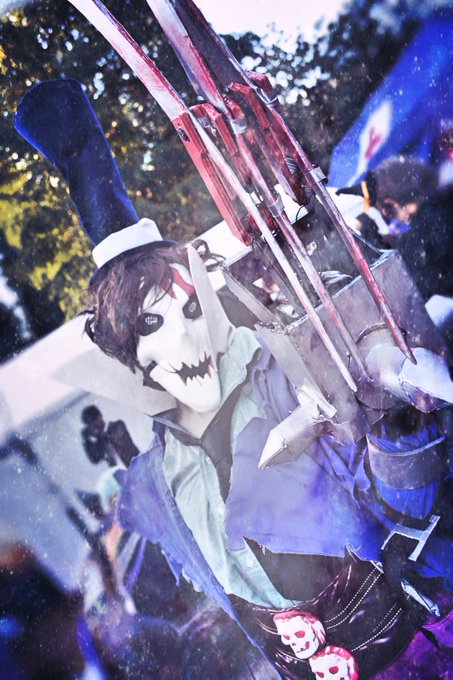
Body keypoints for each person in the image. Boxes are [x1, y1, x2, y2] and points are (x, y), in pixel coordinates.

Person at [15, 79, 453, 679]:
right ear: (128, 353)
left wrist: (398, 420)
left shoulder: (290, 367)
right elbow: (130, 535)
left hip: (422, 648)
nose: (185, 338)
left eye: (192, 308)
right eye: (152, 324)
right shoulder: (156, 482)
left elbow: (411, 506)